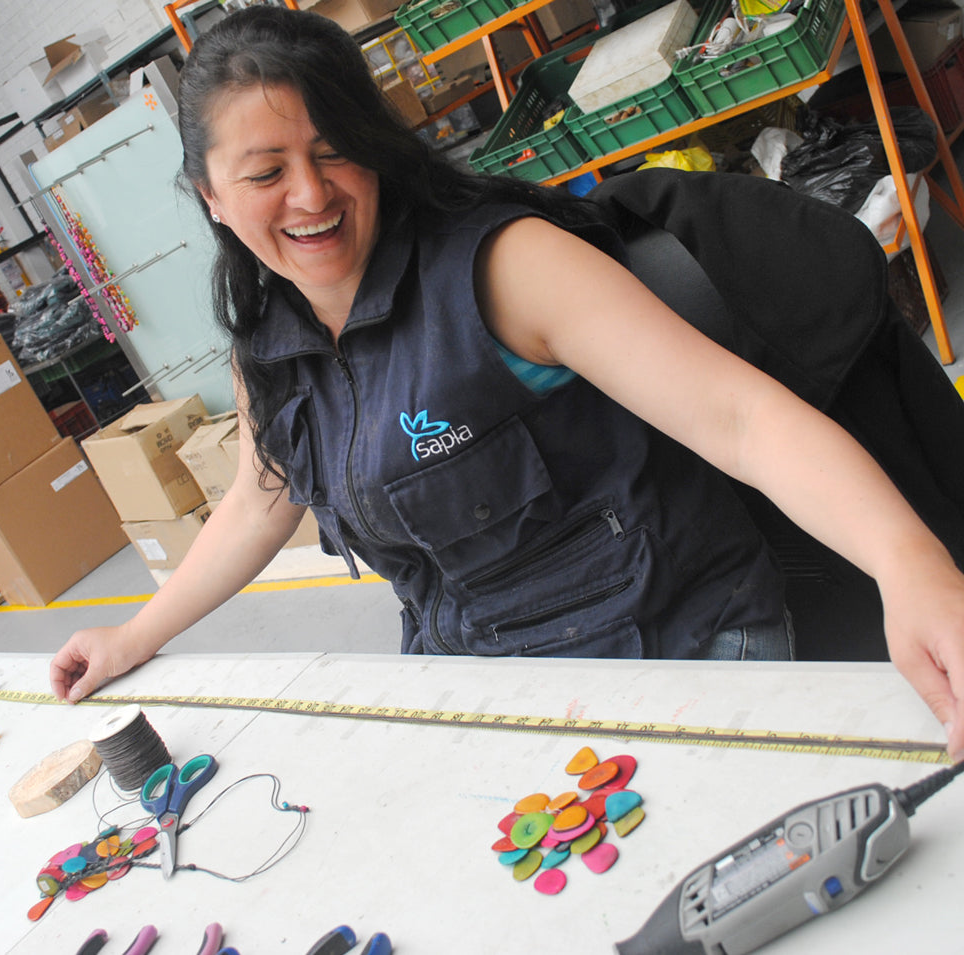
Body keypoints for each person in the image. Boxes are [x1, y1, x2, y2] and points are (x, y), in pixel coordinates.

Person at [49, 6, 964, 761]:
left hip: (677, 653)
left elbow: (741, 419)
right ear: (209, 195)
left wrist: (909, 564)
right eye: (265, 173)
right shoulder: (271, 342)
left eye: (334, 152)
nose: (312, 195)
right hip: (491, 682)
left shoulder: (501, 270)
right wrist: (134, 635)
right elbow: (260, 497)